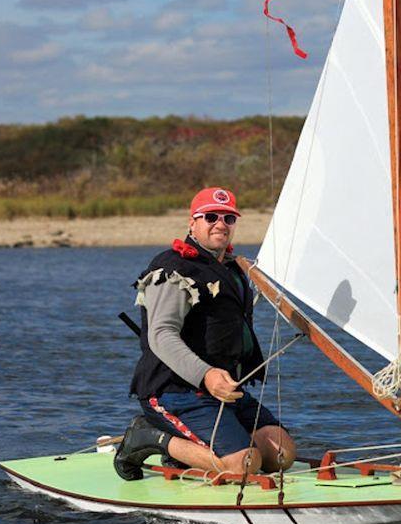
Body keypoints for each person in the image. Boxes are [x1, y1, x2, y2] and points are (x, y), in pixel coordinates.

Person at [114, 186, 297, 480]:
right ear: (192, 223)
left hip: (225, 391)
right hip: (175, 392)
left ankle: (198, 450)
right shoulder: (173, 268)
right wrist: (206, 374)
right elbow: (160, 335)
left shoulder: (234, 269)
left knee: (281, 455)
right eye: (210, 216)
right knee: (243, 465)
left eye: (229, 218)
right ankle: (148, 436)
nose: (220, 224)